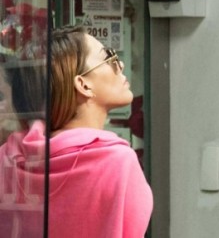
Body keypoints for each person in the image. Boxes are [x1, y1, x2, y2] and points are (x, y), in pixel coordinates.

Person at [0, 25, 153, 237]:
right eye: (109, 57)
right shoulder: (118, 162)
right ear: (83, 85)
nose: (120, 64)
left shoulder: (7, 158)